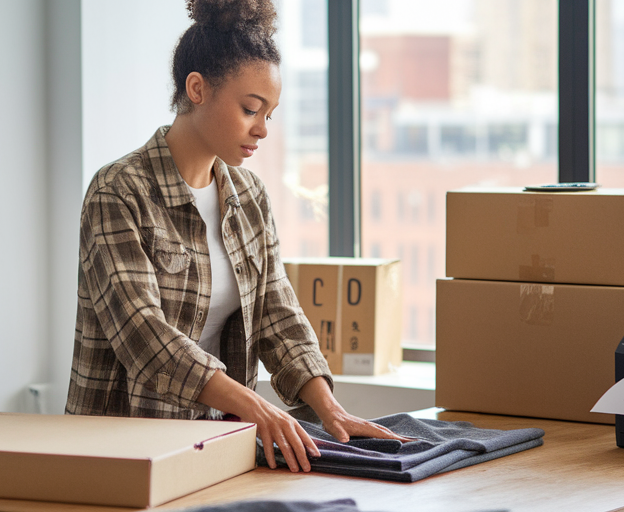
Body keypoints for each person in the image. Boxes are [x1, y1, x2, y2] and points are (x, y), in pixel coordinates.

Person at [67, 0, 406, 473]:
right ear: (197, 89)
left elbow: (277, 314)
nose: (262, 129)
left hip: (215, 446)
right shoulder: (119, 191)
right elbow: (143, 336)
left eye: (270, 114)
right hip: (119, 452)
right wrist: (256, 406)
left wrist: (332, 412)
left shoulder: (249, 195)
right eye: (250, 109)